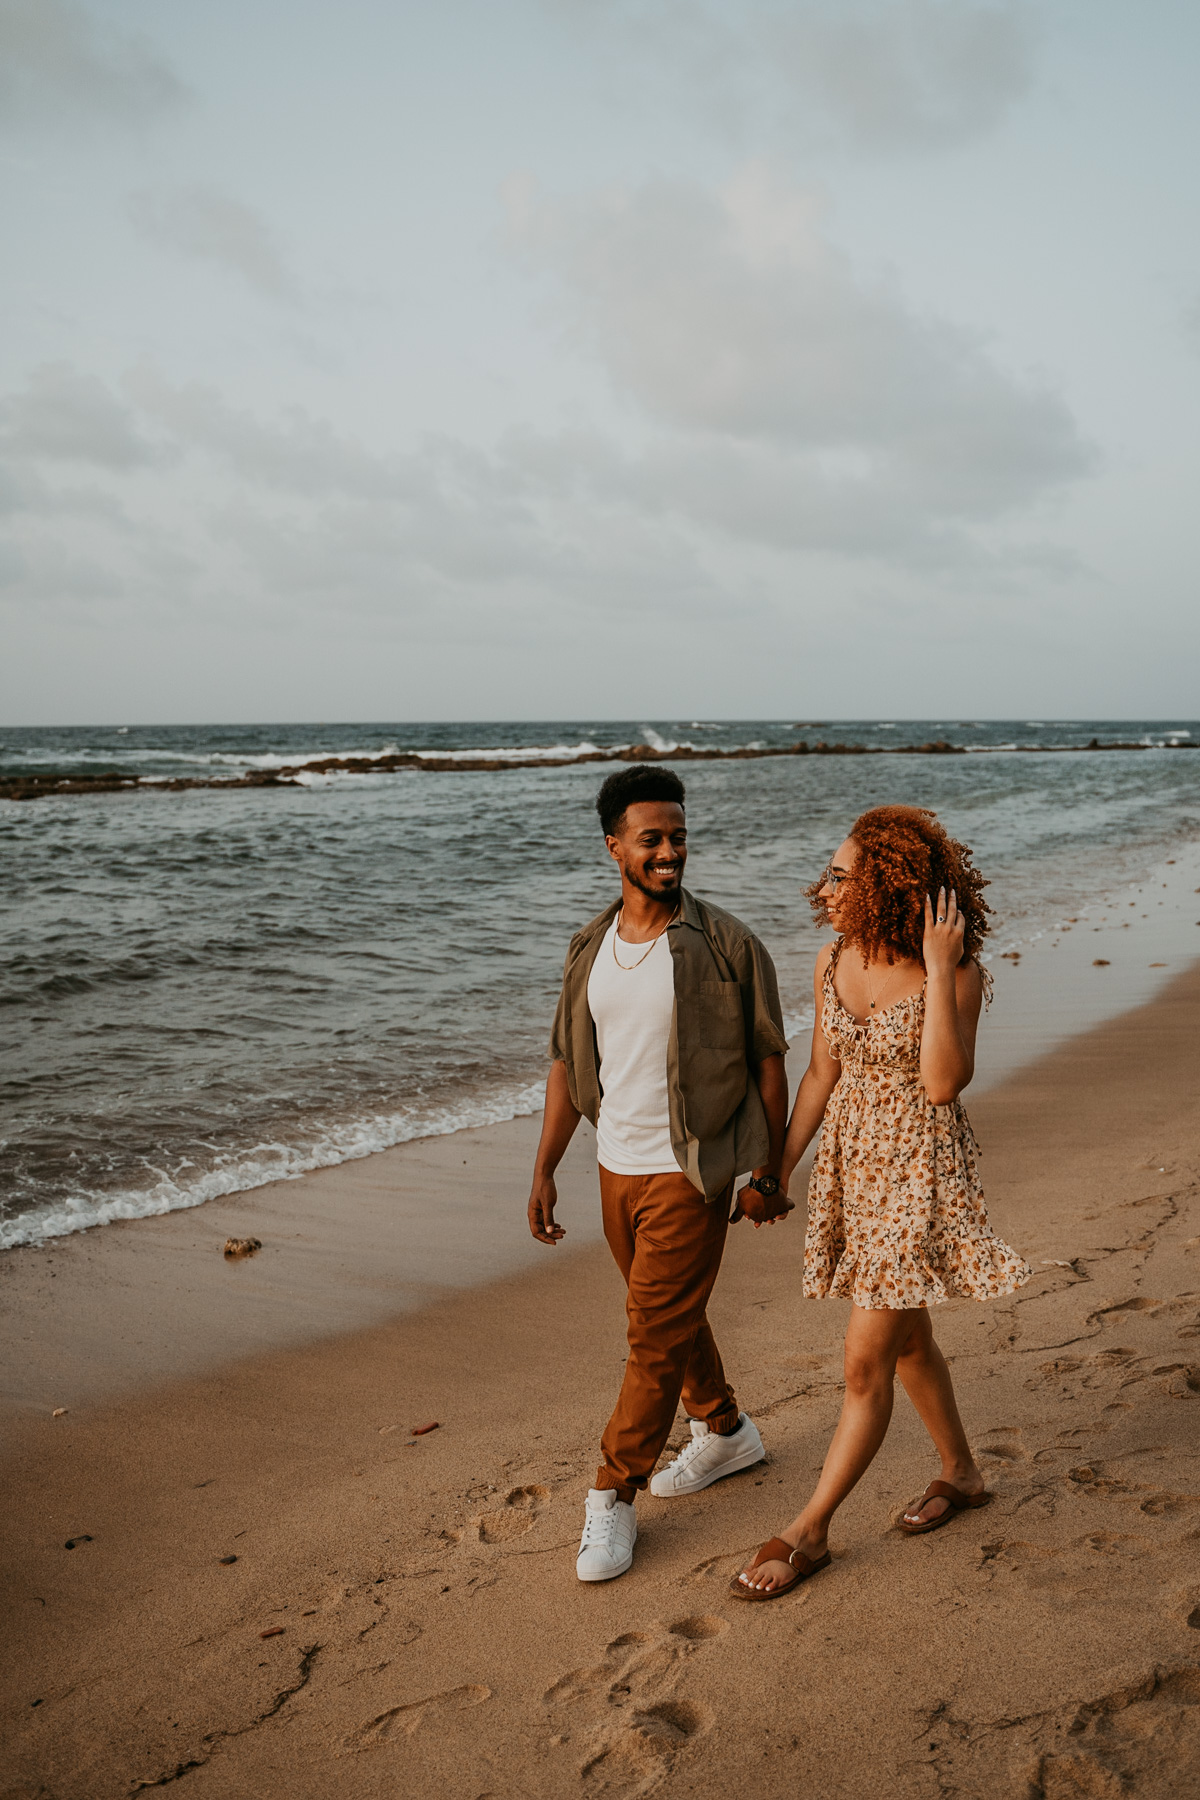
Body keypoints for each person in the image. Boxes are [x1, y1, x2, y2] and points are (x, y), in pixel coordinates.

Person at [732, 805, 1030, 1601]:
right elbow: (822, 1076)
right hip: (856, 1169)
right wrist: (775, 1172)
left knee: (865, 1361)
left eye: (840, 876)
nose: (822, 887)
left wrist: (938, 968)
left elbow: (941, 1083)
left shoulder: (959, 974)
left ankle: (810, 1531)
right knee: (906, 1344)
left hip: (921, 1176)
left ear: (887, 887)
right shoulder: (834, 959)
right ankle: (962, 1474)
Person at [528, 764, 791, 1583]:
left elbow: (769, 1064)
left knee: (650, 1337)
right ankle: (724, 1430)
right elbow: (569, 1066)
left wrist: (768, 1169)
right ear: (615, 847)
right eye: (653, 839)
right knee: (670, 1318)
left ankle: (611, 1495)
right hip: (616, 1168)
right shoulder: (589, 949)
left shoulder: (728, 944)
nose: (670, 851)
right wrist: (544, 1168)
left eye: (678, 836)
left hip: (692, 1170)